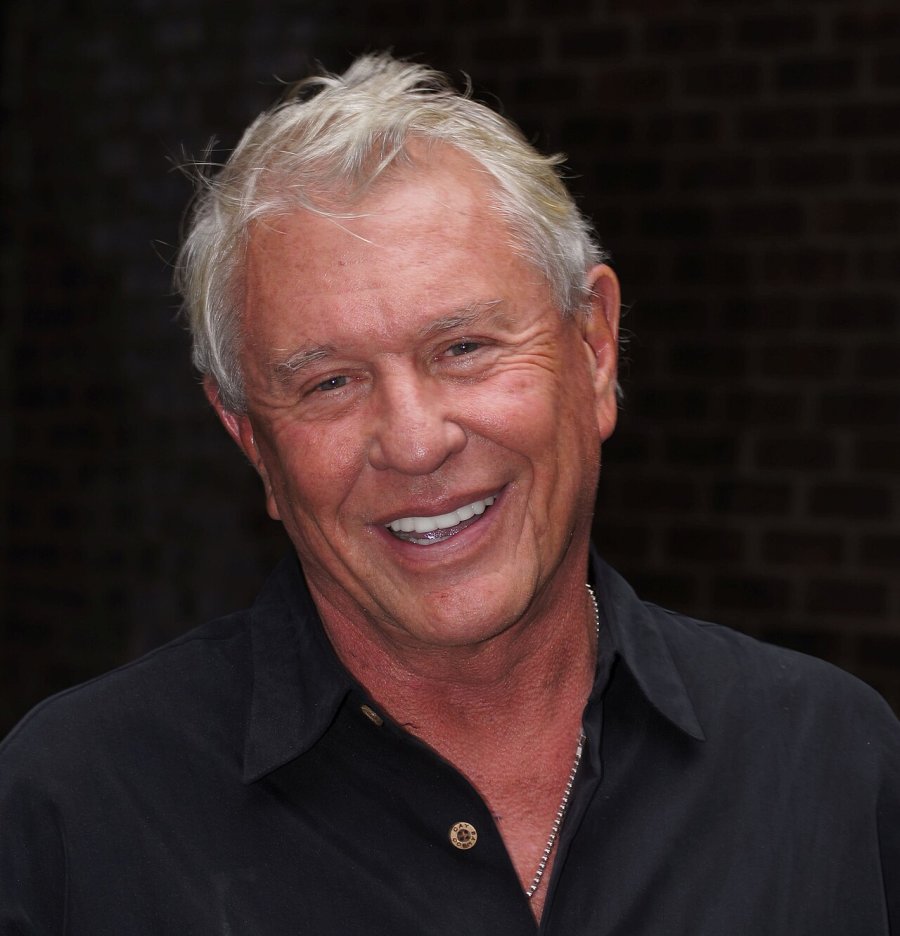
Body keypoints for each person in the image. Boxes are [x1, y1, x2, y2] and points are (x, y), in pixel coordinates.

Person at [1, 53, 897, 935]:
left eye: (463, 348)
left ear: (594, 349)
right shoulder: (74, 818)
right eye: (329, 383)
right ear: (251, 441)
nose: (417, 442)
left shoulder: (831, 766)